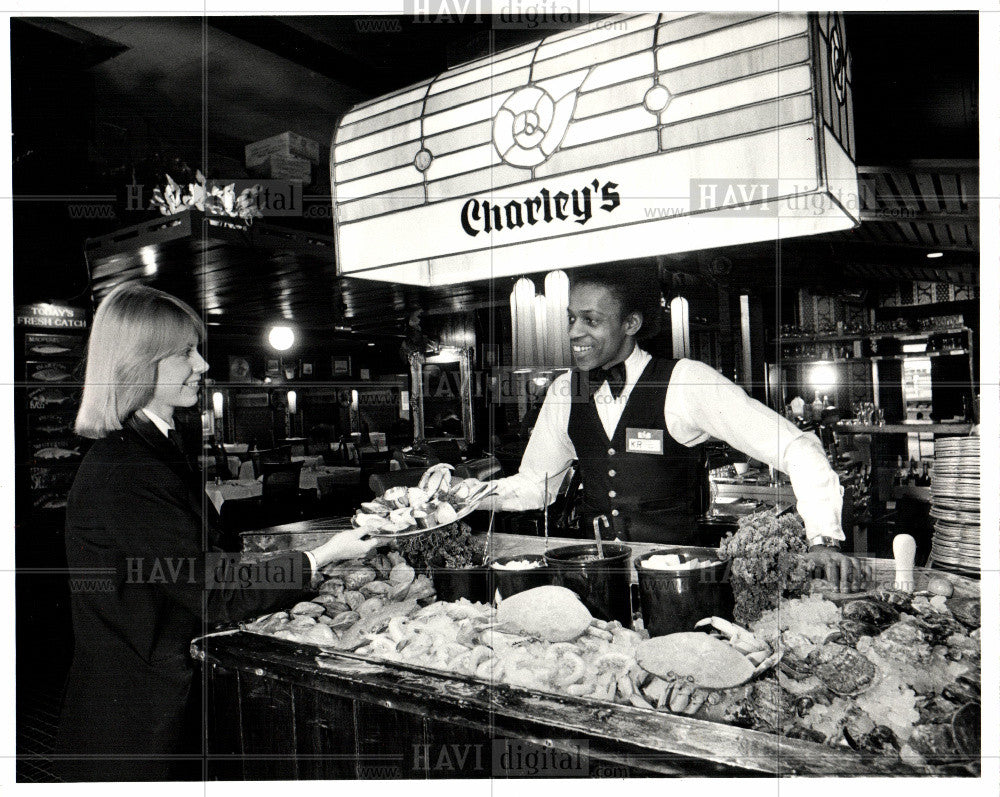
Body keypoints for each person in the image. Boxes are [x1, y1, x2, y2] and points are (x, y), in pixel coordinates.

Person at [55, 284, 378, 781]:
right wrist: (321, 557)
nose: (203, 366)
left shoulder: (151, 449)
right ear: (139, 363)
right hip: (140, 731)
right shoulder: (127, 469)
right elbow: (214, 592)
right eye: (186, 352)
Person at [486, 271, 871, 591]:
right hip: (596, 580)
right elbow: (537, 485)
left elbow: (797, 447)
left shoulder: (686, 382)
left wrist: (823, 539)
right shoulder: (567, 390)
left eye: (591, 320)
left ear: (631, 324)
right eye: (571, 319)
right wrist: (466, 497)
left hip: (679, 581)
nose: (574, 333)